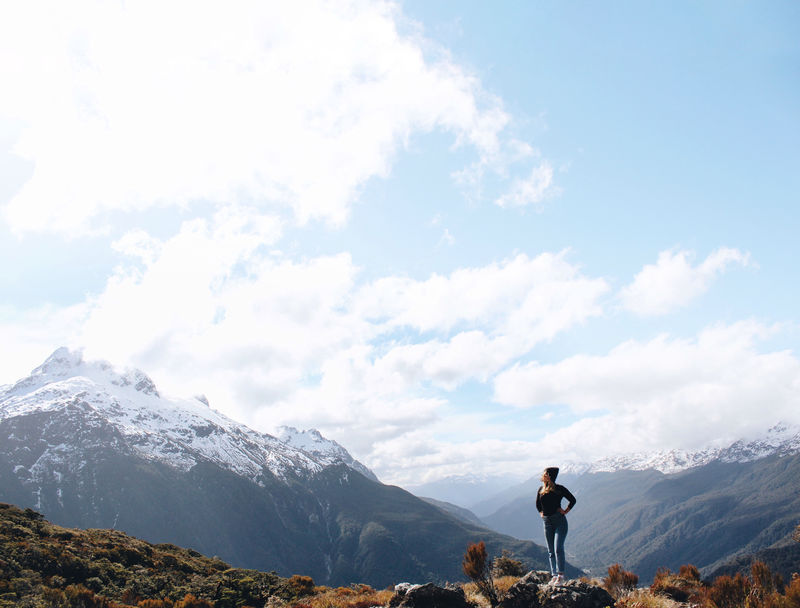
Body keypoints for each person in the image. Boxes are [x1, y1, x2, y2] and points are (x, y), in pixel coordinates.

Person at [536, 466, 576, 586]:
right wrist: (542, 514)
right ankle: (554, 575)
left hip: (559, 521)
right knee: (551, 551)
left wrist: (565, 511)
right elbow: (538, 505)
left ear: (550, 476)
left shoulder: (559, 489)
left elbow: (572, 500)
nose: (543, 476)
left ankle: (560, 576)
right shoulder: (541, 489)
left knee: (558, 548)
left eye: (546, 474)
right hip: (547, 522)